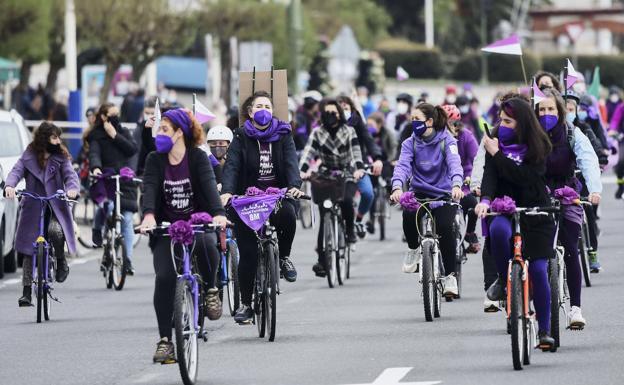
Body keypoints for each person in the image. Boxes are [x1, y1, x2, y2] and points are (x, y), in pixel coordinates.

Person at [138, 108, 227, 363]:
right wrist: (148, 216)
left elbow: (210, 188)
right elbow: (150, 187)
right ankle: (165, 341)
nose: (160, 134)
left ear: (179, 133)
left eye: (164, 129)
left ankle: (211, 290)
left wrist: (218, 213)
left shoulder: (197, 157)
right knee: (164, 276)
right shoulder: (156, 159)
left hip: (196, 220)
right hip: (166, 226)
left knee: (208, 244)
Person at [475, 96, 556, 349]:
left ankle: (544, 330)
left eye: (508, 121)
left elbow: (525, 177)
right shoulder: (495, 140)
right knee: (498, 231)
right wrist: (486, 200)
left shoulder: (539, 144)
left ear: (521, 123)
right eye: (501, 119)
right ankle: (503, 279)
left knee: (539, 270)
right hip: (505, 207)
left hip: (536, 210)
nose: (502, 124)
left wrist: (498, 153)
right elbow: (490, 175)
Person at [220, 91, 304, 324]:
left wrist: (294, 186)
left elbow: (291, 164)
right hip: (246, 199)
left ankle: (284, 257)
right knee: (248, 253)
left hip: (275, 197)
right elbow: (232, 166)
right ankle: (246, 304)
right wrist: (227, 192)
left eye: (267, 106)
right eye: (259, 106)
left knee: (288, 214)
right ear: (250, 112)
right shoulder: (240, 136)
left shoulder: (284, 134)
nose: (263, 110)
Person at [536, 88, 602, 329]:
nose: (546, 114)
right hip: (538, 194)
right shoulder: (529, 135)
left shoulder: (572, 133)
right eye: (541, 109)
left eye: (551, 109)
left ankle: (575, 309)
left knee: (572, 247)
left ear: (560, 111)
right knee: (536, 254)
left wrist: (594, 190)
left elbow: (588, 159)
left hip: (568, 192)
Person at [389, 103, 464, 297]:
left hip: (444, 194)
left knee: (446, 228)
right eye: (411, 120)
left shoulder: (447, 140)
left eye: (417, 119)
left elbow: (455, 163)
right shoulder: (410, 143)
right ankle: (414, 249)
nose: (413, 123)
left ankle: (449, 277)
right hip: (419, 193)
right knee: (408, 214)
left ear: (429, 121)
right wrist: (397, 187)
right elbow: (402, 167)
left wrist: (457, 185)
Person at [4, 123, 80, 306]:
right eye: (54, 137)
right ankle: (26, 292)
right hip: (33, 205)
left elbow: (71, 176)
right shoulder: (29, 155)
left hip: (55, 205)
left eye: (59, 137)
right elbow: (16, 171)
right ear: (44, 138)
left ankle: (60, 260)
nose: (58, 141)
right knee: (29, 249)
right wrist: (9, 185)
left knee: (55, 231)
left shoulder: (61, 156)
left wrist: (71, 189)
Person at [300, 98, 365, 277]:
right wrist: (302, 171)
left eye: (334, 113)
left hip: (347, 174)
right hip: (326, 175)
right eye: (327, 113)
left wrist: (359, 168)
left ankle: (350, 231)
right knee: (324, 214)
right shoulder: (317, 133)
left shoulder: (349, 131)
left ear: (340, 114)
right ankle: (322, 259)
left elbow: (356, 152)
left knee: (347, 201)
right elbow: (308, 153)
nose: (330, 116)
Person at [87, 103, 138, 274]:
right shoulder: (96, 135)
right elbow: (94, 153)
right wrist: (96, 167)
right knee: (106, 206)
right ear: (103, 117)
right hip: (106, 178)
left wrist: (115, 135)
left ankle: (128, 260)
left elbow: (132, 149)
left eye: (117, 114)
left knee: (127, 220)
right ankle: (98, 229)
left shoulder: (123, 132)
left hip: (125, 179)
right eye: (112, 114)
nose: (116, 117)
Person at [565, 93, 606, 272]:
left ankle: (592, 252)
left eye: (571, 109)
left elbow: (594, 147)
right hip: (564, 178)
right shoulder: (555, 130)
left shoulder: (583, 127)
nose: (568, 112)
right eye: (564, 109)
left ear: (577, 110)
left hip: (581, 177)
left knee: (588, 209)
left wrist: (601, 157)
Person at [337, 95, 383, 238]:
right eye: (341, 108)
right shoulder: (329, 124)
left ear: (351, 109)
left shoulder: (358, 123)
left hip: (358, 165)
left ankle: (358, 219)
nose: (344, 110)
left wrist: (377, 158)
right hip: (336, 166)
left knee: (368, 193)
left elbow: (369, 140)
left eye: (346, 107)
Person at [441, 104, 480, 254]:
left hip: (464, 180)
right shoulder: (436, 137)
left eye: (452, 124)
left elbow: (476, 160)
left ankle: (470, 233)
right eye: (445, 124)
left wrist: (473, 180)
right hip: (443, 183)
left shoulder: (467, 136)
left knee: (471, 203)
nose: (449, 128)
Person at [366, 112, 397, 234]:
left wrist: (391, 160)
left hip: (386, 162)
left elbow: (394, 147)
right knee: (372, 192)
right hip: (371, 164)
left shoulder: (388, 133)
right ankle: (371, 220)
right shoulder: (367, 134)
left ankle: (391, 194)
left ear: (379, 124)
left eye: (371, 124)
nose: (369, 127)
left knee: (389, 179)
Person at [135, 96, 159, 176]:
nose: (149, 116)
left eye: (152, 113)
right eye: (147, 113)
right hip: (142, 170)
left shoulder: (163, 129)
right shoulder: (140, 128)